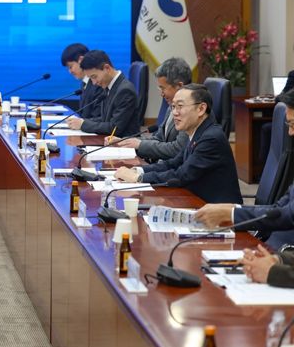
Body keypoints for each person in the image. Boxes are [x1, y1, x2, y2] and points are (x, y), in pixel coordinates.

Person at [194, 89, 294, 248]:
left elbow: (287, 215)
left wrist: (230, 214)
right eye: (289, 125)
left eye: (293, 124)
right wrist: (232, 209)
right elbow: (280, 208)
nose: (290, 133)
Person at [114, 84, 242, 204]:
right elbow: (172, 163)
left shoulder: (211, 138)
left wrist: (139, 178)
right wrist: (137, 170)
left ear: (201, 109)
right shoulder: (196, 132)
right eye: (173, 107)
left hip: (216, 210)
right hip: (194, 201)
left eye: (180, 106)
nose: (174, 113)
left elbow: (181, 175)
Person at [106, 57, 191, 162]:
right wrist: (125, 142)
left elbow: (177, 149)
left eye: (163, 88)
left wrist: (139, 145)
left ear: (179, 86)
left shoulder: (191, 111)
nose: (161, 94)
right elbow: (159, 138)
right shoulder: (171, 106)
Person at [66, 50, 141, 136]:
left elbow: (114, 128)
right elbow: (105, 119)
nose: (94, 83)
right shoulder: (109, 86)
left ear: (107, 68)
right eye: (91, 78)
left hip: (123, 142)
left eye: (94, 77)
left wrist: (83, 125)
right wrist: (81, 122)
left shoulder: (124, 91)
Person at [60, 43, 103, 119]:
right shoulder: (84, 83)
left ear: (81, 60)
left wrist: (81, 123)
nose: (70, 71)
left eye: (70, 67)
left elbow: (99, 117)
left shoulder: (98, 83)